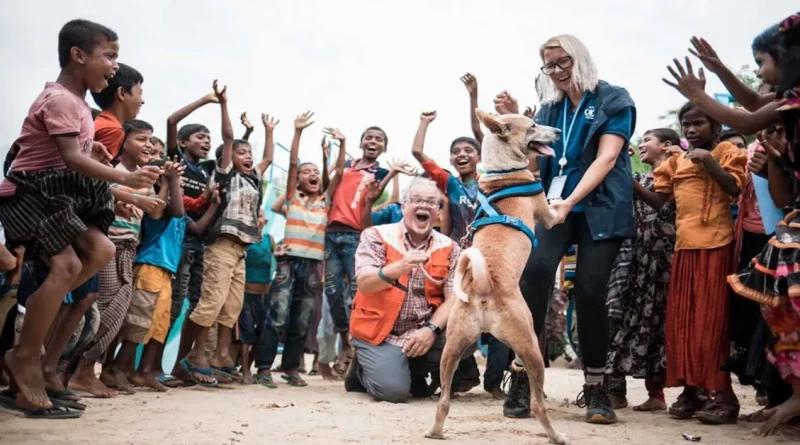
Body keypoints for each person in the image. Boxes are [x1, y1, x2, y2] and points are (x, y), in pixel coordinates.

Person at [0, 19, 160, 414]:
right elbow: (68, 158)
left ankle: (34, 350)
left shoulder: (79, 108)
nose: (112, 65)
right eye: (109, 56)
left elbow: (76, 157)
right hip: (31, 192)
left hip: (58, 194)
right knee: (67, 265)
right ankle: (25, 357)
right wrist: (126, 176)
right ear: (78, 55)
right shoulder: (58, 100)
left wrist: (97, 158)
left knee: (99, 251)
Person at [493, 34, 636, 423]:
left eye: (563, 62)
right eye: (549, 65)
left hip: (600, 208)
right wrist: (514, 125)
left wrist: (571, 200)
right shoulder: (549, 109)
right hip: (555, 207)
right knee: (533, 275)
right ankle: (523, 375)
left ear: (580, 59)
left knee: (590, 292)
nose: (556, 71)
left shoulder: (613, 98)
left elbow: (607, 158)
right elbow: (536, 166)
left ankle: (596, 389)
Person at [637, 103, 747, 424]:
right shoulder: (676, 161)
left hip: (716, 246)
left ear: (714, 124)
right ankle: (692, 391)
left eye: (698, 123)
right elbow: (658, 201)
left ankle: (724, 396)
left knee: (710, 323)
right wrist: (625, 180)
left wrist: (710, 161)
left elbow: (733, 188)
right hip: (684, 249)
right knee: (682, 324)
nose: (691, 130)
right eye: (686, 124)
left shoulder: (726, 151)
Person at [725, 15, 800, 436]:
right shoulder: (788, 111)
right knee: (781, 311)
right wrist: (775, 159)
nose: (758, 73)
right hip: (791, 224)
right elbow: (785, 198)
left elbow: (750, 117)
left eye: (761, 63)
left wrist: (707, 84)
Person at [68, 119, 167, 397]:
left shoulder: (144, 178)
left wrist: (163, 185)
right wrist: (127, 201)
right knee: (104, 307)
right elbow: (99, 196)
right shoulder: (114, 172)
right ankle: (79, 369)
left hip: (129, 248)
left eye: (151, 139)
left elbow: (157, 211)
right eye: (141, 139)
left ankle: (83, 369)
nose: (148, 145)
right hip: (109, 244)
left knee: (118, 309)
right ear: (122, 143)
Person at [345, 177, 460, 403]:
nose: (424, 206)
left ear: (438, 211)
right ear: (403, 206)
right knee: (394, 393)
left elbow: (453, 297)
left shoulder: (450, 247)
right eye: (416, 200)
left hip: (421, 331)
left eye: (431, 202)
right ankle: (360, 371)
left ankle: (410, 369)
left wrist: (431, 330)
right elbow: (365, 282)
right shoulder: (376, 235)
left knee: (465, 334)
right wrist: (399, 267)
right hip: (380, 333)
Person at [180, 81, 264, 387]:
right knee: (211, 301)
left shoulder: (253, 181)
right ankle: (196, 355)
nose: (247, 155)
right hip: (220, 246)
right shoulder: (225, 174)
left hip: (241, 249)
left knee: (231, 307)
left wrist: (260, 132)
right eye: (239, 152)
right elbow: (229, 138)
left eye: (248, 152)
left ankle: (220, 356)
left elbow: (263, 158)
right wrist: (225, 104)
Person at [410, 108, 494, 396]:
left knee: (494, 316)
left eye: (468, 149)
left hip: (490, 259)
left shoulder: (491, 182)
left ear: (480, 156)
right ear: (450, 160)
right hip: (459, 262)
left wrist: (474, 98)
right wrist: (424, 122)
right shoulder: (450, 182)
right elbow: (417, 151)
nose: (462, 154)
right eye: (456, 151)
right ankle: (462, 375)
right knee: (459, 313)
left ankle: (494, 380)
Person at [256, 113, 344, 388]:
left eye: (315, 172)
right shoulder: (293, 198)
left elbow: (337, 173)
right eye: (307, 172)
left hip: (313, 264)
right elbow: (292, 163)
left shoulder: (326, 202)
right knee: (278, 313)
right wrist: (297, 132)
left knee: (302, 317)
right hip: (288, 262)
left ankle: (292, 368)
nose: (312, 175)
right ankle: (263, 368)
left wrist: (340, 146)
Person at [604, 128, 680, 412]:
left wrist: (625, 170)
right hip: (639, 261)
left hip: (665, 261)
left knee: (660, 324)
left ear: (667, 145)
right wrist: (620, 161)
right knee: (633, 321)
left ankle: (657, 394)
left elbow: (657, 202)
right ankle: (622, 391)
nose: (642, 144)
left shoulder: (676, 172)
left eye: (648, 140)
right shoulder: (640, 178)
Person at [110, 152, 186, 392]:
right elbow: (157, 212)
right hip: (149, 266)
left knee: (159, 324)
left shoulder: (175, 206)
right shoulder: (157, 202)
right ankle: (117, 369)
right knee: (139, 322)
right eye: (170, 178)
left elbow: (181, 212)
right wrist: (167, 183)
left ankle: (144, 371)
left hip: (166, 270)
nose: (177, 182)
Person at [324, 126, 392, 376]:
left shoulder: (381, 172)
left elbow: (371, 202)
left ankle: (355, 347)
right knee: (331, 290)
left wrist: (393, 174)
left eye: (379, 139)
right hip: (331, 232)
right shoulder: (347, 165)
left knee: (357, 292)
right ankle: (344, 338)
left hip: (355, 235)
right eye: (369, 137)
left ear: (384, 147)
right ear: (361, 142)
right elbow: (329, 183)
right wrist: (337, 148)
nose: (373, 141)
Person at [164, 85, 219, 385]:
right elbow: (172, 121)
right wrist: (206, 100)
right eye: (200, 137)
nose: (206, 142)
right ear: (183, 142)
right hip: (179, 240)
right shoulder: (178, 162)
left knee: (195, 305)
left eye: (209, 139)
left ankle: (176, 366)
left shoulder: (205, 172)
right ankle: (151, 367)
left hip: (200, 243)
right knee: (173, 303)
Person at [91, 62, 144, 158]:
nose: (142, 101)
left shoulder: (101, 122)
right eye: (140, 93)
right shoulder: (113, 129)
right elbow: (98, 169)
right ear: (121, 93)